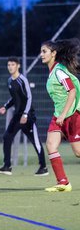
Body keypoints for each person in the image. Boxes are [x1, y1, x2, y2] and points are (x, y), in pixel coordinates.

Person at [0, 57, 48, 176]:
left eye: (12, 64)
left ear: (18, 66)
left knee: (35, 141)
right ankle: (7, 166)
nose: (10, 67)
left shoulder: (22, 80)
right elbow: (15, 99)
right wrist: (5, 107)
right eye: (8, 65)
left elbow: (29, 97)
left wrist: (25, 114)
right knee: (7, 137)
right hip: (17, 116)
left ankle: (43, 167)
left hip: (27, 116)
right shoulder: (9, 81)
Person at [40, 38, 80, 192]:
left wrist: (63, 114)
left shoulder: (59, 72)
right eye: (41, 51)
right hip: (59, 116)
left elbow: (72, 91)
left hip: (71, 115)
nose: (41, 55)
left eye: (44, 52)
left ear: (53, 53)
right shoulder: (53, 72)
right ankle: (63, 182)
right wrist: (60, 115)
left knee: (78, 153)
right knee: (51, 145)